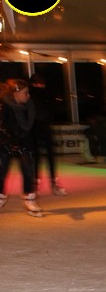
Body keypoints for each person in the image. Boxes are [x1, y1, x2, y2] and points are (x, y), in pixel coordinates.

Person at [0, 79, 43, 217]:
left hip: (24, 141)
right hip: (6, 142)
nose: (28, 96)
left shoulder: (29, 106)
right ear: (16, 93)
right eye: (26, 93)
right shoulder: (3, 106)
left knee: (28, 170)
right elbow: (2, 126)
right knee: (2, 171)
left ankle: (29, 199)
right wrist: (10, 141)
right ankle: (0, 196)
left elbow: (33, 125)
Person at [28, 74, 67, 195]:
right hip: (36, 127)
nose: (41, 86)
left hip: (41, 126)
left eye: (42, 83)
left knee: (44, 156)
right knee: (38, 156)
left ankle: (46, 183)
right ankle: (39, 183)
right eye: (38, 83)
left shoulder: (43, 94)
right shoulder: (33, 94)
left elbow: (54, 109)